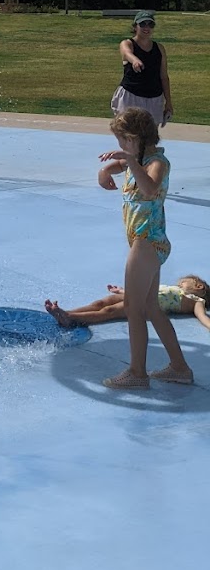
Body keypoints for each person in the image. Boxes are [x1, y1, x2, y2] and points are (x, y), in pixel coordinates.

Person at [97, 106, 194, 389]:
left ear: (134, 138)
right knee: (151, 307)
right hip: (146, 242)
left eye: (122, 141)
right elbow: (120, 166)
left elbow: (150, 188)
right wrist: (106, 170)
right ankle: (180, 367)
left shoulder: (155, 163)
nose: (119, 148)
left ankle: (137, 372)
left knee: (132, 308)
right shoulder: (137, 159)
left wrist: (129, 161)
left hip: (146, 242)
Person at [45, 274, 210, 328]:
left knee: (108, 312)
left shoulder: (196, 301)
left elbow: (202, 317)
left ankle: (70, 317)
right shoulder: (176, 290)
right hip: (138, 294)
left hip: (144, 305)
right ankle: (69, 311)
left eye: (183, 282)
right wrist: (122, 291)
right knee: (102, 302)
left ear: (199, 286)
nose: (180, 283)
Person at [112, 11, 173, 128]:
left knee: (149, 138)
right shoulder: (127, 43)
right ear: (135, 26)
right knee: (130, 134)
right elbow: (126, 53)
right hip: (131, 96)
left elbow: (164, 77)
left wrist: (168, 102)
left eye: (150, 24)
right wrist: (134, 60)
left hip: (154, 98)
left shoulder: (159, 48)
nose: (147, 27)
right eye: (143, 24)